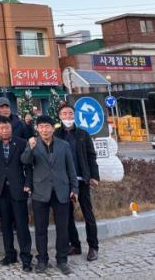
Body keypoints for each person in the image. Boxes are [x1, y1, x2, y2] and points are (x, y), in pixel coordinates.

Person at [21, 115, 78, 275]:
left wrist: (75, 188)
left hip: (61, 191)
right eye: (41, 127)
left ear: (53, 128)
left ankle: (62, 260)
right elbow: (25, 161)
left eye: (47, 126)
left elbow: (71, 168)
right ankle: (42, 260)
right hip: (40, 191)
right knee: (41, 229)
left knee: (62, 228)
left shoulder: (63, 145)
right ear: (37, 129)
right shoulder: (33, 144)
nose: (44, 130)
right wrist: (30, 148)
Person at [55, 104, 101, 262]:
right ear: (59, 116)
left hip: (82, 180)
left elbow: (91, 155)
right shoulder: (56, 134)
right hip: (64, 182)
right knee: (67, 216)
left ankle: (93, 247)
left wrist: (94, 175)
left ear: (74, 115)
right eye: (64, 114)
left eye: (70, 113)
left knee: (88, 214)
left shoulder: (83, 134)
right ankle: (75, 245)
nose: (67, 116)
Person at [0, 115, 33, 272]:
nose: (5, 130)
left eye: (7, 127)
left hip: (19, 188)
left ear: (11, 127)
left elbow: (28, 166)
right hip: (1, 190)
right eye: (1, 128)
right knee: (5, 225)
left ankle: (26, 258)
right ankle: (10, 254)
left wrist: (28, 183)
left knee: (21, 225)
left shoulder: (21, 143)